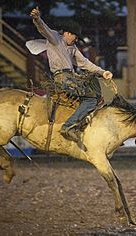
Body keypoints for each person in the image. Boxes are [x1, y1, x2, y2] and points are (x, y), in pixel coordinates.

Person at [30, 7, 113, 143]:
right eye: (75, 36)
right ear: (67, 33)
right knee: (92, 99)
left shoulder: (72, 48)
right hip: (62, 78)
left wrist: (102, 72)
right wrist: (37, 18)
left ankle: (80, 123)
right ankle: (68, 126)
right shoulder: (55, 38)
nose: (76, 39)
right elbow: (43, 29)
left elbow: (85, 63)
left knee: (96, 91)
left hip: (70, 77)